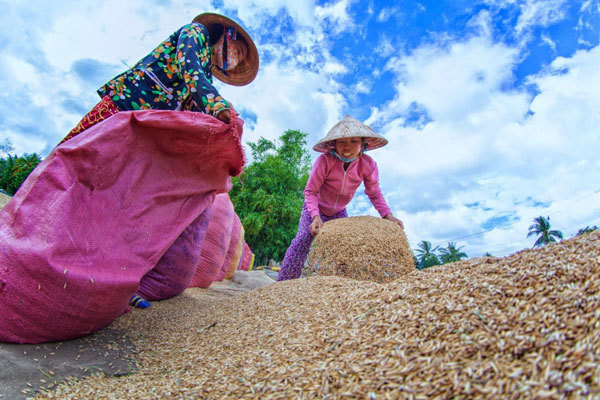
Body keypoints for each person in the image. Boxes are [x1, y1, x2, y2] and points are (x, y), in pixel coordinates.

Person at [59, 12, 259, 144]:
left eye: (239, 60)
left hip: (147, 130)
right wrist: (217, 105)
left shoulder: (207, 77)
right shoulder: (196, 33)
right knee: (74, 151)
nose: (236, 60)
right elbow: (189, 66)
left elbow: (194, 112)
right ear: (227, 35)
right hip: (126, 104)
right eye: (238, 52)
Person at [277, 115, 404, 281]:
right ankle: (284, 282)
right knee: (302, 241)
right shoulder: (325, 161)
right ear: (333, 145)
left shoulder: (368, 165)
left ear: (363, 144)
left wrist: (388, 216)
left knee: (344, 246)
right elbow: (311, 191)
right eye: (342, 142)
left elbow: (374, 193)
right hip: (315, 209)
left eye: (354, 142)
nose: (347, 147)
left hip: (339, 212)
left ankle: (339, 285)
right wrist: (315, 216)